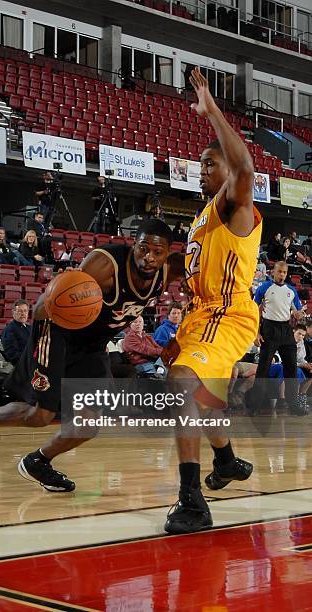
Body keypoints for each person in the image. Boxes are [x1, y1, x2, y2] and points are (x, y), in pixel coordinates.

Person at [0, 218, 187, 494]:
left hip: (93, 343)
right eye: (143, 249)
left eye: (157, 252)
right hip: (58, 330)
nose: (149, 257)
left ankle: (38, 461)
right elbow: (45, 307)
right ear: (134, 245)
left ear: (168, 253)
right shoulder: (104, 265)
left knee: (89, 423)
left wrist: (181, 339)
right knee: (41, 414)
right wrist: (51, 300)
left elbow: (203, 292)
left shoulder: (173, 268)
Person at [161, 67, 262, 535]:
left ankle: (191, 500)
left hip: (228, 312)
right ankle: (224, 461)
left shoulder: (234, 204)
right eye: (200, 164)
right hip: (203, 315)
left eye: (210, 164)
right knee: (199, 398)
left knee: (183, 385)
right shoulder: (202, 217)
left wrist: (212, 111)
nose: (203, 169)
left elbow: (245, 169)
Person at [248, 261, 303, 413]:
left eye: (285, 272)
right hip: (269, 328)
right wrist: (256, 332)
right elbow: (254, 311)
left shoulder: (291, 290)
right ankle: (254, 406)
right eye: (280, 272)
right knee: (263, 369)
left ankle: (293, 405)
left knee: (292, 368)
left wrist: (298, 314)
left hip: (286, 330)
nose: (282, 275)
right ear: (273, 272)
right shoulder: (263, 288)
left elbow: (297, 311)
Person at [1, 300, 31, 365]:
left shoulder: (29, 328)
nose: (23, 314)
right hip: (21, 366)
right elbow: (12, 354)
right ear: (13, 312)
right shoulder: (9, 330)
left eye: (25, 311)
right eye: (20, 311)